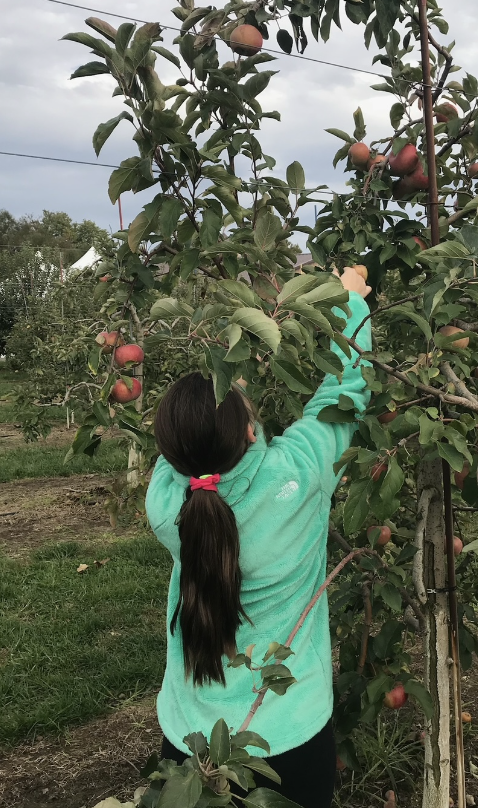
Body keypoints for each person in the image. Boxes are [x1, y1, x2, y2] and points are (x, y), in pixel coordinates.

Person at [145, 267, 372, 808]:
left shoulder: (165, 506)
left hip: (190, 745)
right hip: (289, 739)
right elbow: (346, 388)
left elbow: (185, 449)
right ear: (250, 431)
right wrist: (352, 304)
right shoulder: (298, 477)